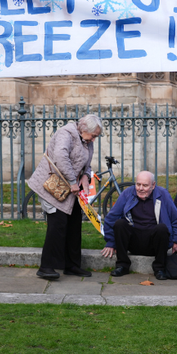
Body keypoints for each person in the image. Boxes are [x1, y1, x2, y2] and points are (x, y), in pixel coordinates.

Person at [27, 114, 102, 280]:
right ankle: (46, 267)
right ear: (84, 129)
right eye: (93, 135)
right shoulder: (66, 134)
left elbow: (87, 164)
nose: (94, 139)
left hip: (71, 190)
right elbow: (61, 158)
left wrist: (86, 176)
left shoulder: (87, 141)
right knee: (58, 225)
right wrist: (72, 181)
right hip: (53, 188)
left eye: (96, 136)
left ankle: (72, 266)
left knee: (74, 224)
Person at [101, 171, 177, 280]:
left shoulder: (162, 194)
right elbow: (111, 218)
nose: (140, 188)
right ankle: (122, 265)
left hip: (154, 243)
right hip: (133, 240)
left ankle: (159, 268)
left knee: (162, 228)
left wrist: (176, 241)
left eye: (145, 185)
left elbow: (176, 219)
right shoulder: (128, 193)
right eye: (138, 184)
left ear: (153, 185)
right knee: (120, 224)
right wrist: (111, 242)